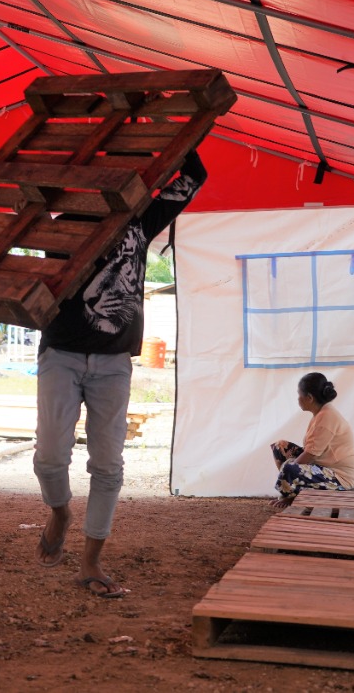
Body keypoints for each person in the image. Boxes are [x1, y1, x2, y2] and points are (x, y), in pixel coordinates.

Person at [34, 150, 207, 598]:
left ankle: (91, 560)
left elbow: (195, 174)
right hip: (62, 354)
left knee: (107, 465)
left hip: (113, 363)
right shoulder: (57, 224)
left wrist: (170, 134)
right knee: (50, 456)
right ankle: (61, 513)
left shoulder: (140, 220)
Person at [270, 372, 354, 508]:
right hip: (322, 467)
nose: (298, 399)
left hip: (339, 477)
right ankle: (291, 492)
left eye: (299, 395)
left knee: (289, 468)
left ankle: (289, 495)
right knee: (280, 446)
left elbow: (309, 455)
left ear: (309, 398)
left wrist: (288, 470)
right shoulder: (321, 414)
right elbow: (309, 452)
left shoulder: (326, 417)